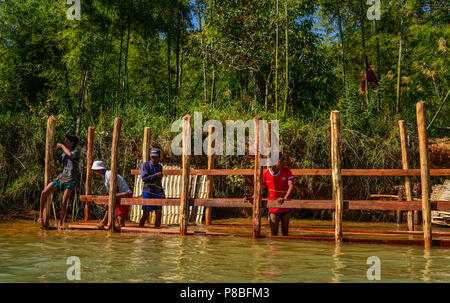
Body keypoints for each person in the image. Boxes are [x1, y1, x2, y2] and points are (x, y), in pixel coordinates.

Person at [244, 153, 295, 236]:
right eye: (280, 161)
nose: (282, 163)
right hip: (273, 207)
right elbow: (260, 189)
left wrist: (284, 199)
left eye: (282, 161)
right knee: (274, 233)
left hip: (286, 206)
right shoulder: (266, 174)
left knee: (285, 232)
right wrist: (250, 197)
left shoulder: (287, 171)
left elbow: (291, 186)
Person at [38, 134, 80, 230]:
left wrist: (61, 146)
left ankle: (60, 223)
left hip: (69, 180)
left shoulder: (76, 152)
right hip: (60, 178)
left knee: (64, 201)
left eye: (67, 141)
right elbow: (55, 164)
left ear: (71, 143)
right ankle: (40, 215)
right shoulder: (63, 154)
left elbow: (70, 154)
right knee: (44, 192)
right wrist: (52, 154)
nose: (65, 142)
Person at [91, 160, 132, 228]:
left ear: (100, 169)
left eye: (95, 170)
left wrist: (109, 201)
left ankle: (104, 221)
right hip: (118, 194)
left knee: (120, 217)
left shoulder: (109, 174)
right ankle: (107, 221)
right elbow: (111, 191)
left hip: (125, 194)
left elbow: (116, 189)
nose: (94, 172)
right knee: (119, 218)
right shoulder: (104, 176)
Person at [139, 148, 164, 227]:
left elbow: (158, 181)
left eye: (156, 157)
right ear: (150, 157)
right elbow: (144, 179)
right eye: (153, 157)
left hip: (157, 191)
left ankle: (157, 231)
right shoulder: (145, 165)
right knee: (146, 213)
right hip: (148, 191)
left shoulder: (160, 167)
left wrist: (162, 191)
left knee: (159, 212)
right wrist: (155, 175)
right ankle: (140, 228)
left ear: (159, 158)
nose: (154, 159)